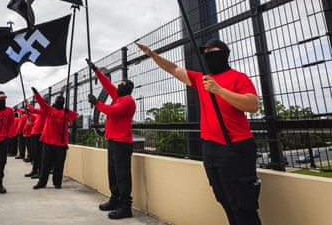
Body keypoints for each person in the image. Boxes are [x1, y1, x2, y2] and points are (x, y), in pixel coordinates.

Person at [136, 39, 262, 225]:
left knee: (243, 204)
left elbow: (252, 105)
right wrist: (153, 55)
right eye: (205, 53)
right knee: (225, 200)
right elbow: (173, 69)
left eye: (212, 51)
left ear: (224, 53)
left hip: (235, 147)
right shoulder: (201, 79)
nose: (208, 55)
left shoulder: (238, 77)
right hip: (211, 148)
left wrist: (218, 90)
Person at [86, 59, 136, 220]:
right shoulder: (118, 96)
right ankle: (115, 200)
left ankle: (125, 206)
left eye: (121, 86)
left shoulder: (127, 101)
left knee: (122, 175)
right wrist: (96, 70)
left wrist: (97, 103)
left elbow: (111, 111)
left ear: (127, 89)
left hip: (122, 143)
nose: (118, 87)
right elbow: (106, 84)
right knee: (113, 173)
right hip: (114, 141)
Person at [31, 87, 77, 190]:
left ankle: (57, 183)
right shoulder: (49, 110)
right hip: (48, 141)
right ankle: (42, 182)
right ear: (55, 102)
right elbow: (42, 103)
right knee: (45, 164)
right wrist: (36, 93)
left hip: (61, 143)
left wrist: (68, 111)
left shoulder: (65, 113)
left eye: (61, 102)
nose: (59, 103)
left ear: (63, 103)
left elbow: (74, 116)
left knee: (59, 165)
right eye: (58, 102)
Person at [24, 99, 46, 179]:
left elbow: (33, 110)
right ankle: (34, 170)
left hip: (38, 135)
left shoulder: (44, 110)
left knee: (38, 154)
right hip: (34, 134)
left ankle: (40, 172)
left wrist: (28, 104)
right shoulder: (40, 112)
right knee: (34, 153)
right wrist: (27, 112)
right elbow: (33, 115)